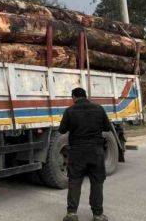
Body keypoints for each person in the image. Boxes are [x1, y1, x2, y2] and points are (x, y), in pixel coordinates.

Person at [59, 87, 112, 221]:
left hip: (77, 152)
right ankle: (98, 215)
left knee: (75, 181)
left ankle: (72, 213)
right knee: (97, 182)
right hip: (96, 152)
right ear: (85, 96)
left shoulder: (70, 111)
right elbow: (107, 127)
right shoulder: (99, 109)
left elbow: (62, 130)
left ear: (74, 97)